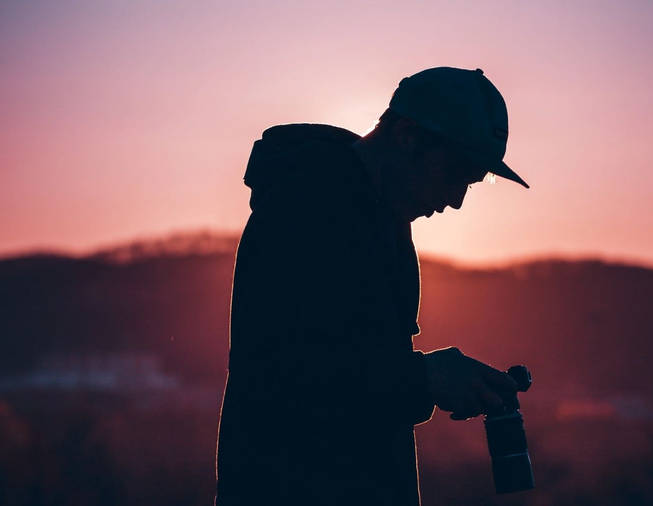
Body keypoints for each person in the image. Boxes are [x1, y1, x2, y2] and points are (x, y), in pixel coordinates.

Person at [216, 66, 530, 506]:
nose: (458, 199)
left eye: (474, 182)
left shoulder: (375, 217)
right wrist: (425, 379)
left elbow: (344, 363)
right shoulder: (303, 211)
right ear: (406, 136)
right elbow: (281, 377)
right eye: (458, 172)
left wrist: (427, 379)